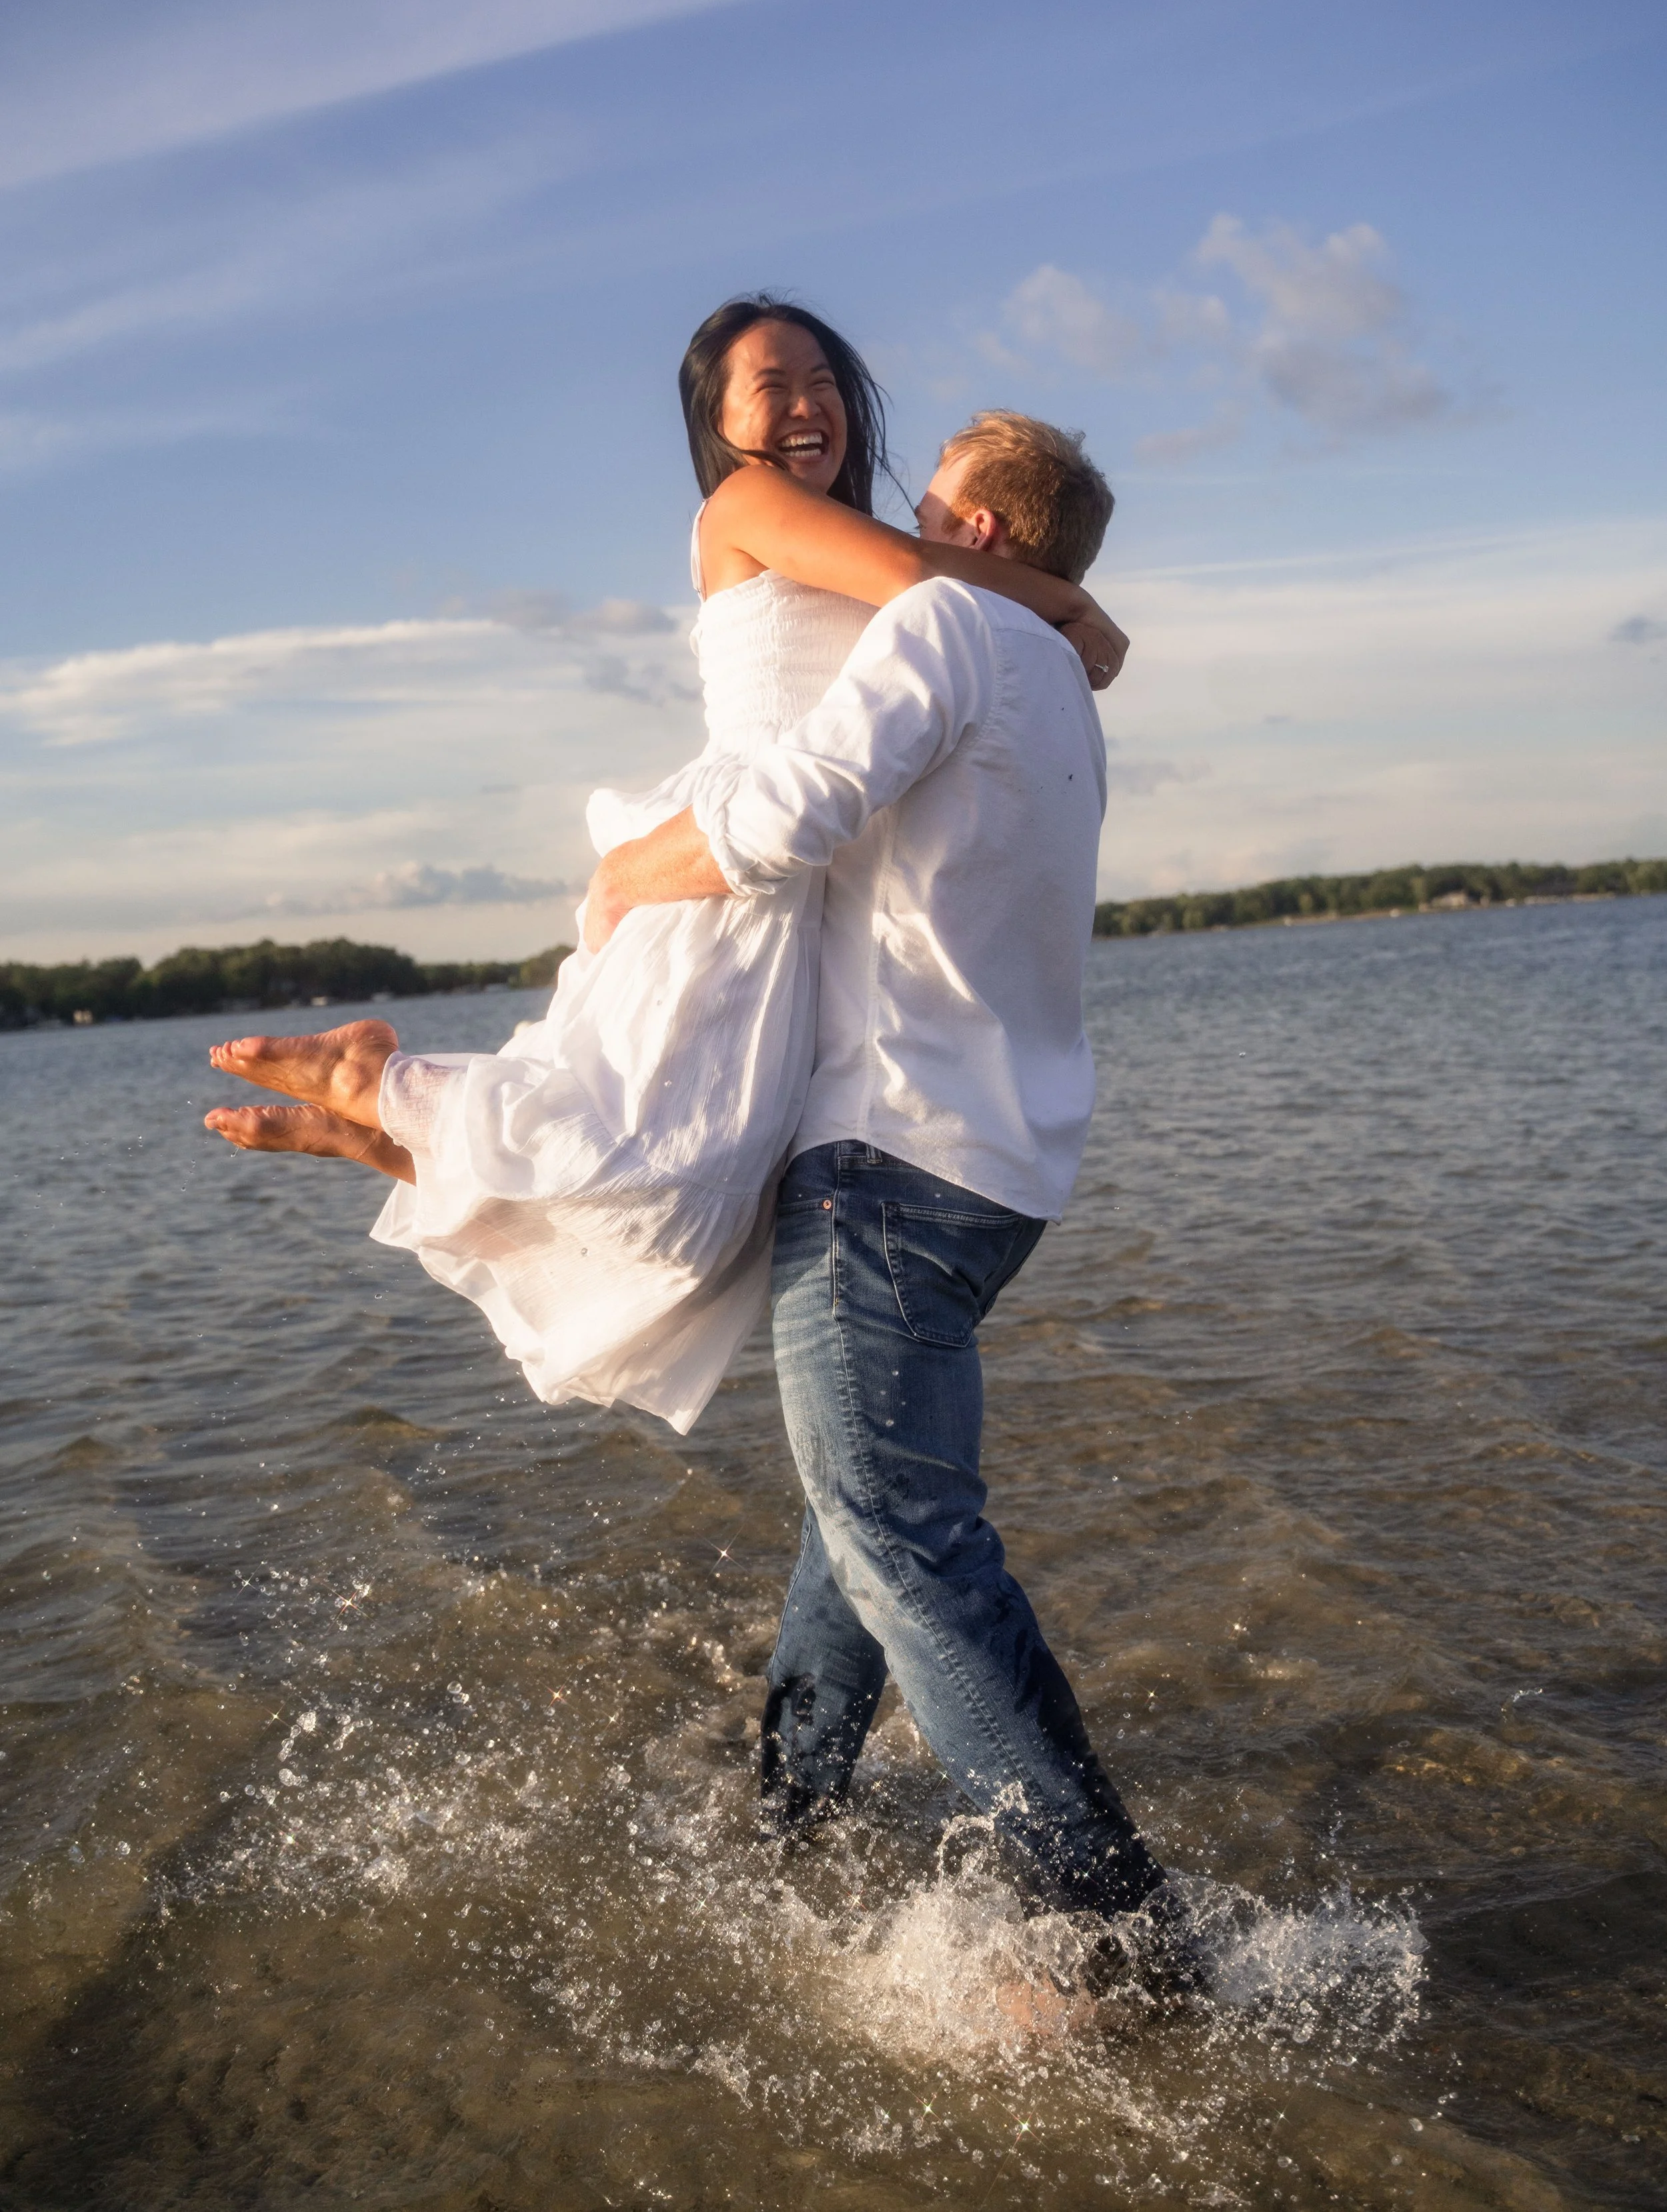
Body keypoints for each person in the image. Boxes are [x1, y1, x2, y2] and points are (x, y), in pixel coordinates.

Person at [205, 299, 1125, 1439]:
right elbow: (914, 567)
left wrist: (1039, 609)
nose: (806, 404)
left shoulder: (916, 574)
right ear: (720, 421)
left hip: (797, 893)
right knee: (641, 1156)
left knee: (695, 1198)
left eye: (824, 379)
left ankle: (385, 1133)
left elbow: (931, 581)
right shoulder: (749, 504)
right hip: (731, 853)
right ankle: (380, 1091)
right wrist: (1072, 602)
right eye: (771, 385)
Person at [579, 406, 1203, 2012]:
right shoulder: (1062, 680)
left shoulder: (944, 621)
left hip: (887, 1156)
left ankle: (1112, 1931)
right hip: (1005, 1173)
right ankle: (785, 1820)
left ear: (981, 535)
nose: (901, 536)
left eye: (928, 509)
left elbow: (791, 809)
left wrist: (626, 875)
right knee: (845, 1514)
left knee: (900, 1538)